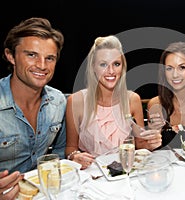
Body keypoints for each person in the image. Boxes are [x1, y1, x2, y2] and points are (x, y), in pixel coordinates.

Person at [65, 35, 161, 169]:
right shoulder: (76, 101)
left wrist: (151, 143)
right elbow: (70, 148)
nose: (111, 71)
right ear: (93, 67)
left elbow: (139, 144)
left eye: (116, 64)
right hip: (92, 176)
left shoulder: (133, 99)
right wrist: (74, 157)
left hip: (126, 172)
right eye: (103, 64)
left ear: (122, 67)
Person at [0, 17, 66, 199]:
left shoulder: (59, 102)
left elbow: (60, 156)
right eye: (31, 55)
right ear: (11, 55)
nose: (42, 65)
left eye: (50, 58)